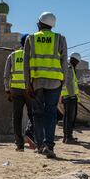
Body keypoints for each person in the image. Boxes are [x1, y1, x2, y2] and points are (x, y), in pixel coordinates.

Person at [24, 12, 68, 158]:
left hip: (36, 82)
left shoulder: (31, 39)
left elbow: (26, 65)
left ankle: (40, 145)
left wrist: (27, 84)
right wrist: (64, 82)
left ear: (39, 23)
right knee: (51, 113)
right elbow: (64, 63)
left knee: (37, 114)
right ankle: (49, 145)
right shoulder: (59, 38)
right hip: (55, 81)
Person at [3, 34, 34, 152]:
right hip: (29, 89)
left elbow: (6, 75)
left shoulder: (13, 55)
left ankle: (19, 144)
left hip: (15, 89)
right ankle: (29, 135)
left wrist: (7, 89)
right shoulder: (32, 56)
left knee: (17, 117)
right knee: (33, 115)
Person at [60, 52, 81, 144]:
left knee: (67, 117)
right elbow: (68, 83)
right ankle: (68, 137)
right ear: (73, 60)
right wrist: (73, 96)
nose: (77, 63)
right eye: (77, 61)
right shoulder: (69, 68)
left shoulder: (69, 67)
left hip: (67, 96)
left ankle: (67, 136)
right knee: (69, 117)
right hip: (70, 97)